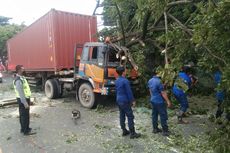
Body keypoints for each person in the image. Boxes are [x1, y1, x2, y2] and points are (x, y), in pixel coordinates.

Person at [115, 66, 141, 139]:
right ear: (123, 72)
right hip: (125, 100)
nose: (126, 71)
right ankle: (132, 133)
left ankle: (124, 130)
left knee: (122, 115)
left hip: (119, 99)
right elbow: (129, 92)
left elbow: (116, 91)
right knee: (130, 116)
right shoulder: (125, 81)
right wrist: (133, 101)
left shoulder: (117, 80)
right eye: (125, 70)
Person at [148, 68, 172, 136]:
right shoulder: (159, 81)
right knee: (163, 115)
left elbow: (150, 90)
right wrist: (168, 101)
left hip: (153, 100)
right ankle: (165, 131)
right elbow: (163, 93)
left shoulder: (150, 80)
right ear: (158, 73)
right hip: (159, 101)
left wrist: (152, 97)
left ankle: (155, 129)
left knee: (154, 115)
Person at [13, 65, 36, 135]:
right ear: (19, 70)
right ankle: (26, 131)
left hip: (23, 99)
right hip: (23, 99)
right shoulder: (18, 80)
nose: (24, 70)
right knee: (25, 115)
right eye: (23, 69)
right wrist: (25, 103)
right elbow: (21, 92)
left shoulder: (22, 78)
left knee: (23, 114)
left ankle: (24, 128)